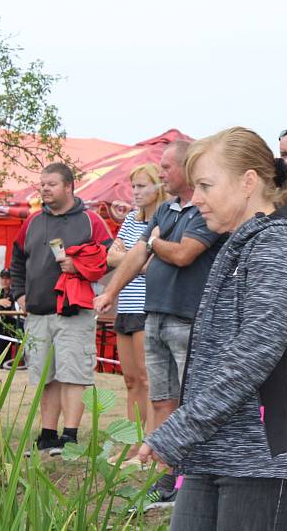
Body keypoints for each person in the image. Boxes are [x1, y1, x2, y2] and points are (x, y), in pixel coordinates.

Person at [133, 126, 287, 530]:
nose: (195, 199)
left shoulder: (281, 246)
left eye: (206, 185)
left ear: (248, 182)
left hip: (271, 458)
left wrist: (177, 430)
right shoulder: (241, 245)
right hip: (217, 451)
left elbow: (254, 353)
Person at [94, 140, 223, 505]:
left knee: (192, 401)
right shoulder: (165, 209)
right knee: (162, 399)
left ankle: (195, 480)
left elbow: (184, 254)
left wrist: (155, 243)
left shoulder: (203, 207)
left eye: (166, 168)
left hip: (190, 318)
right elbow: (136, 253)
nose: (162, 173)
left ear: (187, 169)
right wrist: (110, 293)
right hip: (156, 316)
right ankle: (168, 478)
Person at [10, 162, 113, 453]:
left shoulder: (91, 220)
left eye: (51, 184)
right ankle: (47, 436)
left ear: (69, 186)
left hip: (74, 311)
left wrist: (79, 265)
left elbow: (111, 257)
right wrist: (19, 293)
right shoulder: (31, 221)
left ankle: (70, 437)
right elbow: (17, 259)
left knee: (73, 374)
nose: (44, 189)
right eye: (41, 184)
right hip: (39, 312)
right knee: (46, 376)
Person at [105, 163, 169, 463]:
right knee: (130, 380)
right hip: (126, 307)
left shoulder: (163, 220)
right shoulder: (131, 220)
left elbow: (150, 263)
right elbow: (112, 255)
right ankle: (132, 443)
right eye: (134, 187)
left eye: (142, 186)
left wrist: (132, 258)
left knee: (148, 379)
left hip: (148, 306)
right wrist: (133, 259)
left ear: (158, 186)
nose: (136, 192)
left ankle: (150, 444)